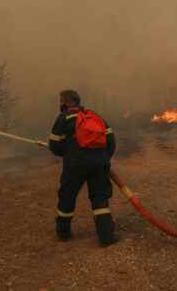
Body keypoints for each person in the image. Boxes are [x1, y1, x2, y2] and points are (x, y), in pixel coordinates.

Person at [47, 89, 118, 247]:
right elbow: (111, 141)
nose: (59, 104)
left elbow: (54, 146)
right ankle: (106, 237)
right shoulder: (94, 116)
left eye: (60, 101)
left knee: (67, 196)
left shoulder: (63, 118)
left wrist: (68, 153)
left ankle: (63, 233)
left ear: (65, 102)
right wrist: (104, 159)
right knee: (100, 198)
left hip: (75, 165)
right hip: (99, 164)